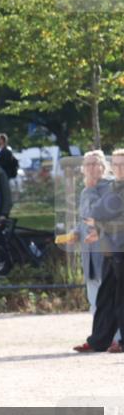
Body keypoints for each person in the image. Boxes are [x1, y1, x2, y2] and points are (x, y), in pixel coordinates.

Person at [73, 148, 124, 354]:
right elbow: (95, 215)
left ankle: (121, 342)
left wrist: (101, 224)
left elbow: (104, 214)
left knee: (121, 297)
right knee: (106, 296)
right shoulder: (115, 187)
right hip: (112, 248)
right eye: (117, 164)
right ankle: (99, 340)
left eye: (123, 164)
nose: (119, 168)